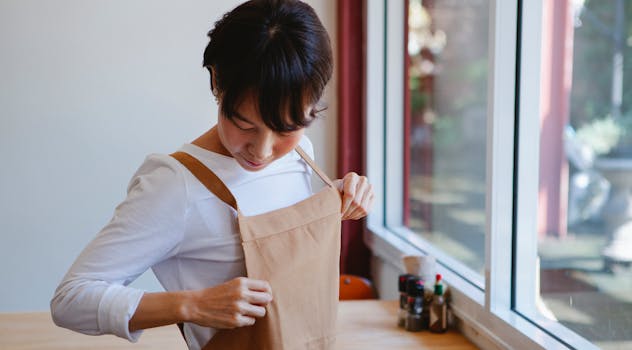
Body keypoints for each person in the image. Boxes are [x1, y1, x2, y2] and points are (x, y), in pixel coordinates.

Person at [50, 1, 374, 349]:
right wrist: (193, 305)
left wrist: (336, 197)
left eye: (285, 128)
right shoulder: (175, 185)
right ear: (217, 82)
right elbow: (71, 300)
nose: (262, 151)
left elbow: (285, 239)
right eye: (244, 125)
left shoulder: (301, 153)